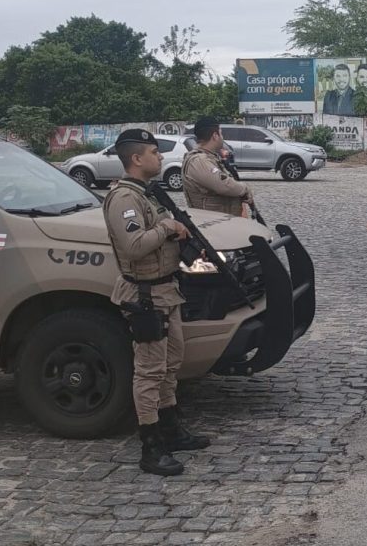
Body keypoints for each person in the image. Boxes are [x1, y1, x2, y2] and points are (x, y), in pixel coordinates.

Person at [102, 129, 210, 477]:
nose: (160, 157)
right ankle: (150, 446)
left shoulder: (148, 194)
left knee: (171, 363)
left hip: (166, 291)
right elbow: (134, 246)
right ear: (136, 159)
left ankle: (171, 428)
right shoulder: (124, 200)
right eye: (153, 152)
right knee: (149, 371)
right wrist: (167, 228)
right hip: (145, 297)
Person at [182, 117, 253, 216]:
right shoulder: (198, 161)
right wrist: (244, 188)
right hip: (211, 224)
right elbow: (223, 185)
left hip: (221, 222)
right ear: (215, 135)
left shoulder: (210, 158)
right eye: (221, 133)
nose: (222, 137)